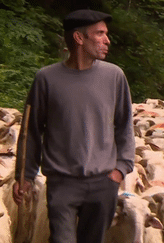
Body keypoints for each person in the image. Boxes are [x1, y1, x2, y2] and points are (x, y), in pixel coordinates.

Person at [12, 9, 135, 243]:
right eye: (99, 34)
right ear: (79, 38)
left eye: (106, 34)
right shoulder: (46, 79)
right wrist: (24, 175)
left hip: (103, 183)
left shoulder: (114, 77)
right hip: (62, 183)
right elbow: (31, 131)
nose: (107, 40)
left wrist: (120, 169)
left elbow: (125, 125)